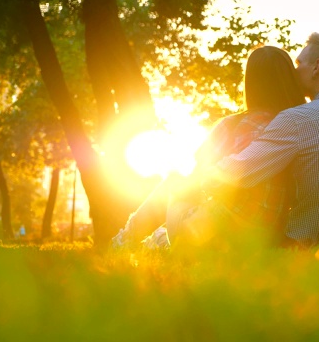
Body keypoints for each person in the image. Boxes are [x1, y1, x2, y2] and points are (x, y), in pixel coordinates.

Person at [112, 46, 306, 249]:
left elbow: (195, 176)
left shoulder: (232, 126)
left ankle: (125, 240)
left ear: (250, 83)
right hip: (265, 239)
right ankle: (157, 241)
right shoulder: (297, 130)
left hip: (219, 238)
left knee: (175, 181)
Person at [206, 33, 319, 248]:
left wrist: (200, 177)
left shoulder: (298, 118)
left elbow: (238, 172)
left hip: (304, 252)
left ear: (317, 67)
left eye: (299, 63)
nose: (293, 70)